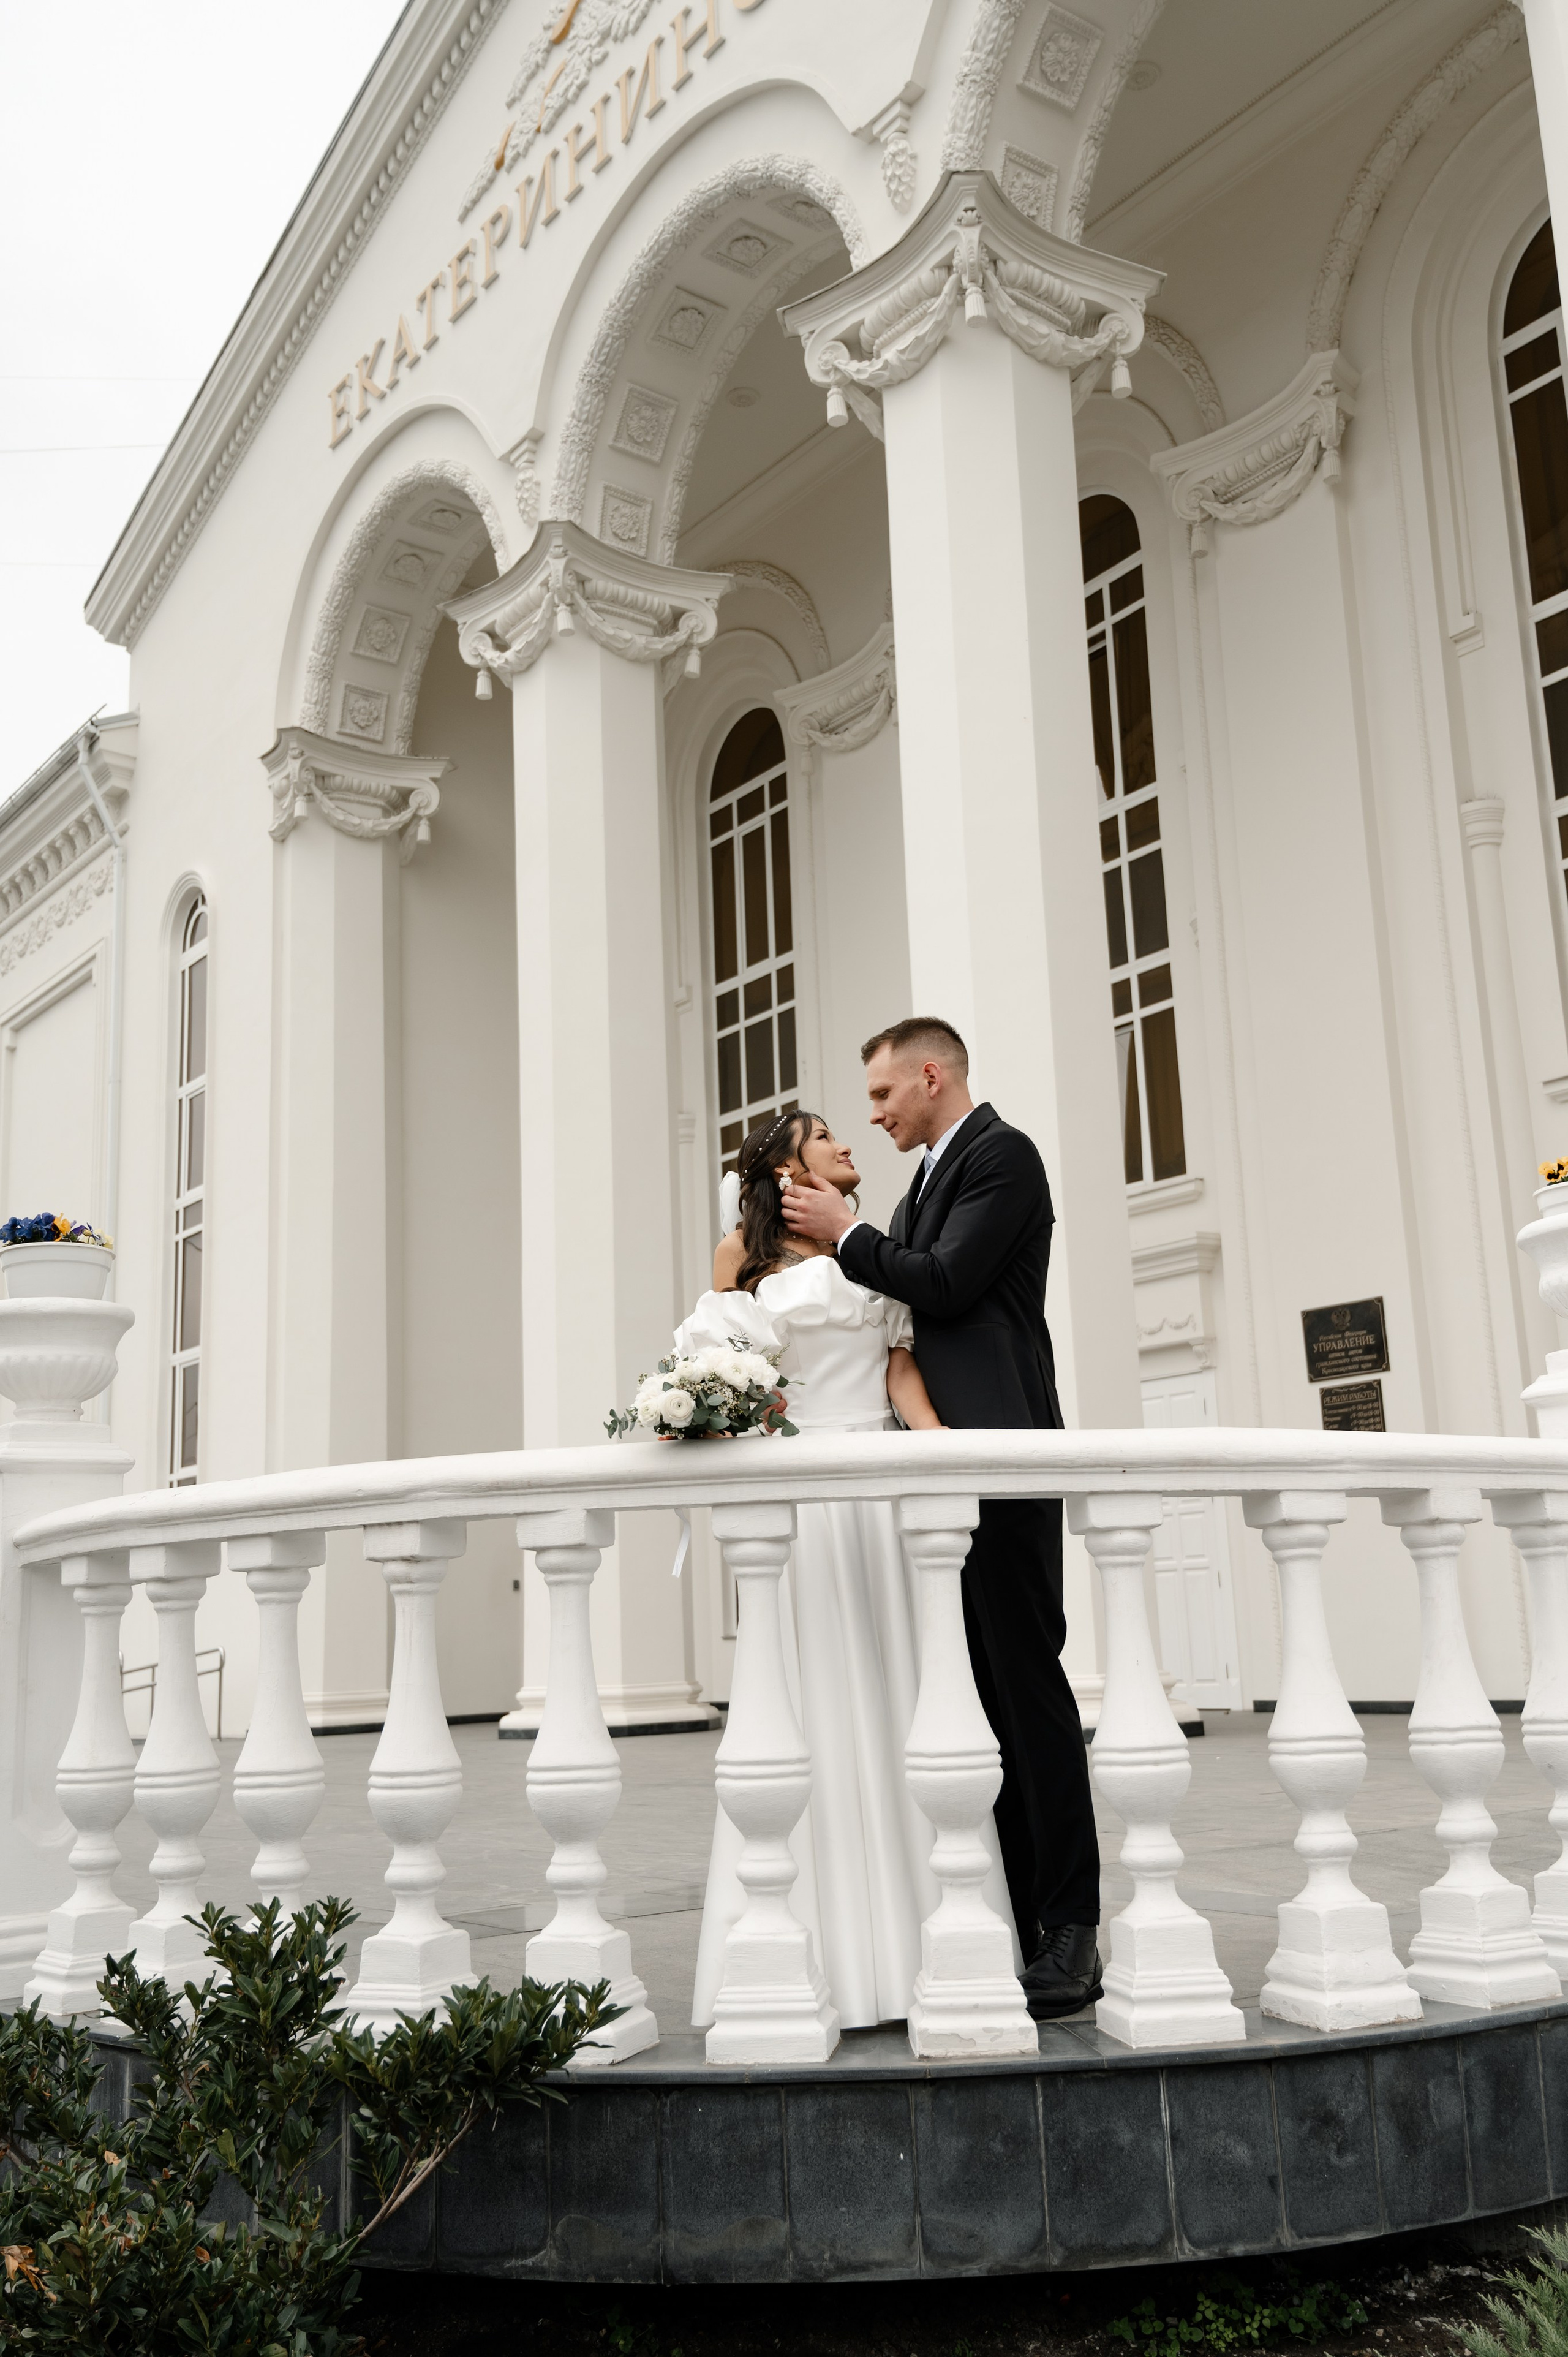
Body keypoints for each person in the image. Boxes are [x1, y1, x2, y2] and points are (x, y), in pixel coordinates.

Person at [780, 1016, 1102, 2021]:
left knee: (1028, 1684)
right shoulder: (923, 1182)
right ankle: (1017, 1918)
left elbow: (951, 1285)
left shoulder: (1004, 1156)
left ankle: (1074, 1930)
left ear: (931, 1075)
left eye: (882, 1096)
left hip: (1000, 1450)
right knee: (976, 1701)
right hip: (936, 1468)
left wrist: (848, 1237)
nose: (873, 1116)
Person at [683, 1106, 1019, 2032]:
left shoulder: (880, 1245)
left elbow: (900, 1374)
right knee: (816, 1702)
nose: (847, 1143)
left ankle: (929, 1949)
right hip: (810, 1500)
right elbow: (737, 1381)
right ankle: (820, 1952)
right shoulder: (737, 1261)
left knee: (910, 1696)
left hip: (884, 1500)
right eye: (826, 1133)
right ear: (787, 1166)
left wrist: (944, 1454)